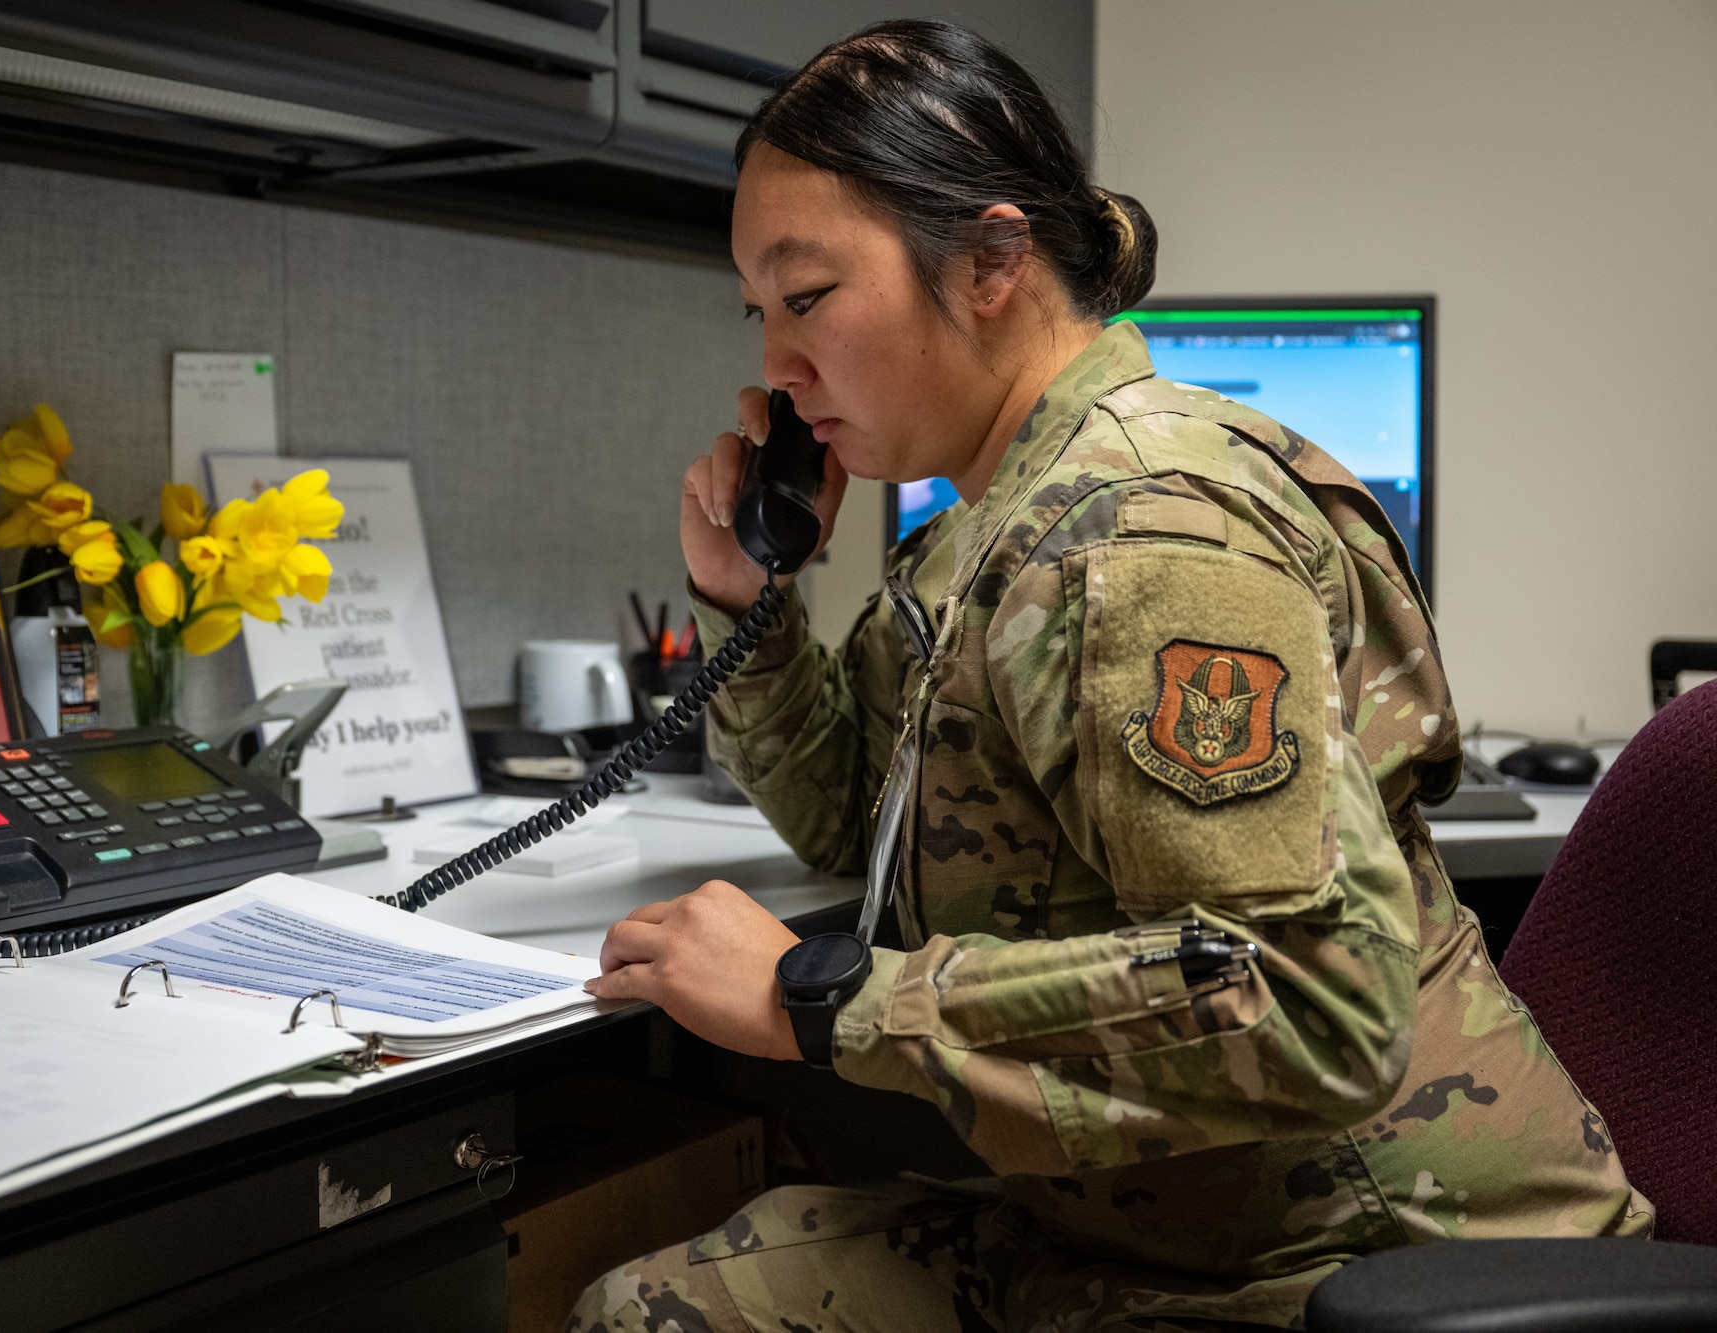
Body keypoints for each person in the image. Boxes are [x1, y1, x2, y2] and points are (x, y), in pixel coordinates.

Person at [570, 21, 1650, 1333]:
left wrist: (825, 998)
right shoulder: (983, 531)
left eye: (807, 299)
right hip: (1157, 1223)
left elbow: (1309, 1004)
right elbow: (867, 820)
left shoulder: (1142, 532)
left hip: (1360, 1262)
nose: (777, 371)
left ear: (992, 261)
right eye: (760, 312)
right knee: (661, 1295)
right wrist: (755, 605)